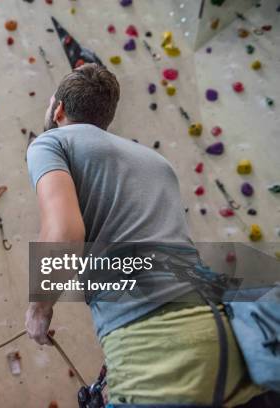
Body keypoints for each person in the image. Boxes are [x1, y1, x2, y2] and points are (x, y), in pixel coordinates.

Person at [24, 63, 269, 406]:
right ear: (104, 120)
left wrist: (38, 311)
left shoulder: (51, 144)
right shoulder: (156, 162)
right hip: (225, 336)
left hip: (157, 351)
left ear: (59, 109)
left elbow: (64, 231)